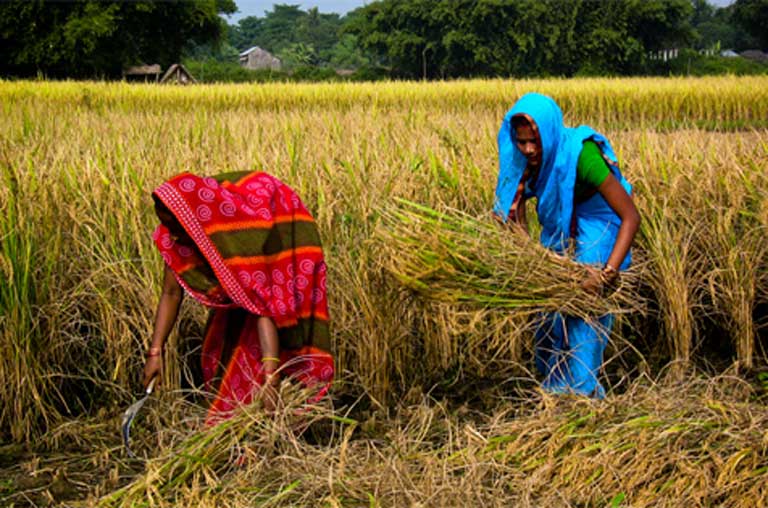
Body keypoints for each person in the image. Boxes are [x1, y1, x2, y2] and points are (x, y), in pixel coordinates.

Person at [142, 171, 334, 424]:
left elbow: (263, 306)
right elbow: (170, 292)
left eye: (177, 229)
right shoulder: (180, 226)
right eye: (167, 227)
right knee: (221, 345)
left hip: (282, 230)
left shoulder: (240, 242)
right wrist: (155, 352)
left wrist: (271, 378)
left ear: (192, 223)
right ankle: (241, 414)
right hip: (241, 242)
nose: (172, 236)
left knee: (281, 332)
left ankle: (281, 414)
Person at [493, 93, 640, 398]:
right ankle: (555, 384)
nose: (528, 149)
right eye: (521, 142)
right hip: (562, 215)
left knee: (583, 301)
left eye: (534, 141)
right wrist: (533, 258)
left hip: (600, 216)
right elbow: (513, 210)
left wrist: (607, 273)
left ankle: (583, 392)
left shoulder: (580, 155)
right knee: (548, 300)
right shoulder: (521, 158)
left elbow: (630, 217)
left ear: (549, 131)